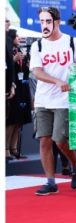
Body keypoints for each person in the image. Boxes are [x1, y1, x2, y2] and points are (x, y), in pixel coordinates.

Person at [29, 6, 76, 195]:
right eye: (42, 21)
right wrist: (56, 81)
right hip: (43, 98)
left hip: (64, 99)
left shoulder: (72, 42)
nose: (44, 25)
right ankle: (50, 182)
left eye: (48, 21)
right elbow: (36, 71)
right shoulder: (37, 45)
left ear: (57, 22)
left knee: (60, 140)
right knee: (44, 140)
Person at [6, 29, 32, 160]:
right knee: (11, 120)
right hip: (12, 89)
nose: (18, 38)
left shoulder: (19, 51)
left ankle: (14, 148)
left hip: (22, 88)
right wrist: (12, 59)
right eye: (16, 36)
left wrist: (26, 63)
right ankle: (5, 149)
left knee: (19, 121)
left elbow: (25, 72)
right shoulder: (8, 52)